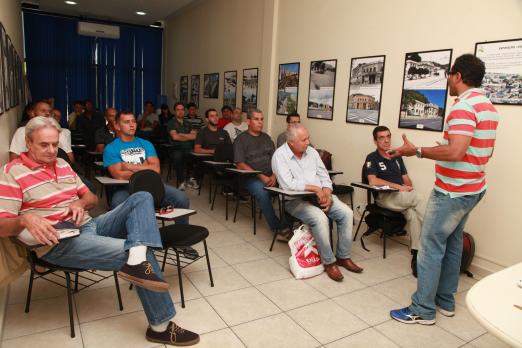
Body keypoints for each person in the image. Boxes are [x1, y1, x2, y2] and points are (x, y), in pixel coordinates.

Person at [0, 116, 200, 346]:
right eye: (44, 145)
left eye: (55, 144)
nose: (52, 150)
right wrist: (25, 219)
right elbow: (2, 226)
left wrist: (79, 203)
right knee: (144, 252)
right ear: (28, 142)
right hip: (57, 243)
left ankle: (136, 258)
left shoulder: (63, 165)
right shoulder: (11, 172)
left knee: (142, 197)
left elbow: (91, 197)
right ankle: (160, 327)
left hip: (88, 225)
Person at [390, 54, 499, 324]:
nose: (448, 81)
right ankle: (445, 301)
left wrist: (415, 150)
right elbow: (481, 149)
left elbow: (456, 150)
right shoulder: (487, 106)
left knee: (429, 247)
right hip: (473, 188)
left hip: (452, 192)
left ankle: (423, 310)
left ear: (458, 76)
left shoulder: (463, 107)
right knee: (452, 245)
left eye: (450, 75)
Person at [272, 124, 363, 281]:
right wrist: (315, 189)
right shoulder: (279, 156)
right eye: (304, 140)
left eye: (308, 138)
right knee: (320, 218)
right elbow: (288, 185)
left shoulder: (312, 152)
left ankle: (343, 256)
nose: (308, 142)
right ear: (291, 142)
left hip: (320, 195)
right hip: (294, 200)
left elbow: (324, 176)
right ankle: (329, 262)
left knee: (346, 213)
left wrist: (326, 193)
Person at [103, 110, 190, 226]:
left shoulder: (146, 144)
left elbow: (156, 170)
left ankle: (181, 235)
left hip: (152, 184)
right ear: (117, 126)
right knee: (117, 203)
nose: (132, 124)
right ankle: (128, 239)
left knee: (181, 198)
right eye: (126, 122)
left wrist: (129, 166)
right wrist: (145, 167)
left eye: (133, 121)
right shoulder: (111, 148)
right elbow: (119, 175)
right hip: (126, 187)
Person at [365, 125, 423, 275]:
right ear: (375, 141)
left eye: (388, 137)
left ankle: (417, 256)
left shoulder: (397, 156)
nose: (386, 140)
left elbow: (407, 181)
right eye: (381, 138)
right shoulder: (372, 157)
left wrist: (406, 186)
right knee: (418, 197)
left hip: (400, 198)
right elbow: (372, 181)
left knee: (413, 215)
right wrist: (398, 186)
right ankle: (436, 235)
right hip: (385, 197)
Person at [233, 108, 290, 234]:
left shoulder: (266, 138)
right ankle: (277, 227)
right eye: (256, 119)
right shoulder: (240, 140)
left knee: (290, 188)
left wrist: (275, 175)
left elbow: (277, 160)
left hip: (272, 175)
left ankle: (289, 223)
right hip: (250, 177)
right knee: (263, 192)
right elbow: (240, 164)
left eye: (262, 119)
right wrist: (261, 176)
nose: (260, 122)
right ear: (248, 121)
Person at [9, 100, 74, 163]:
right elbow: (14, 157)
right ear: (32, 113)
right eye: (43, 111)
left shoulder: (57, 131)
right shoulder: (22, 131)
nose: (47, 113)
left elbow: (69, 156)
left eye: (50, 112)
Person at [167, 102, 198, 190]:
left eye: (182, 110)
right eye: (178, 110)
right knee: (178, 156)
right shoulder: (171, 123)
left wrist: (181, 134)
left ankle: (191, 178)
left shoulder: (189, 123)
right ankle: (181, 181)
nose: (180, 112)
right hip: (176, 148)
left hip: (189, 148)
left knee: (198, 157)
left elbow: (194, 136)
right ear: (175, 111)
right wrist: (187, 136)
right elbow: (175, 137)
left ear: (184, 111)